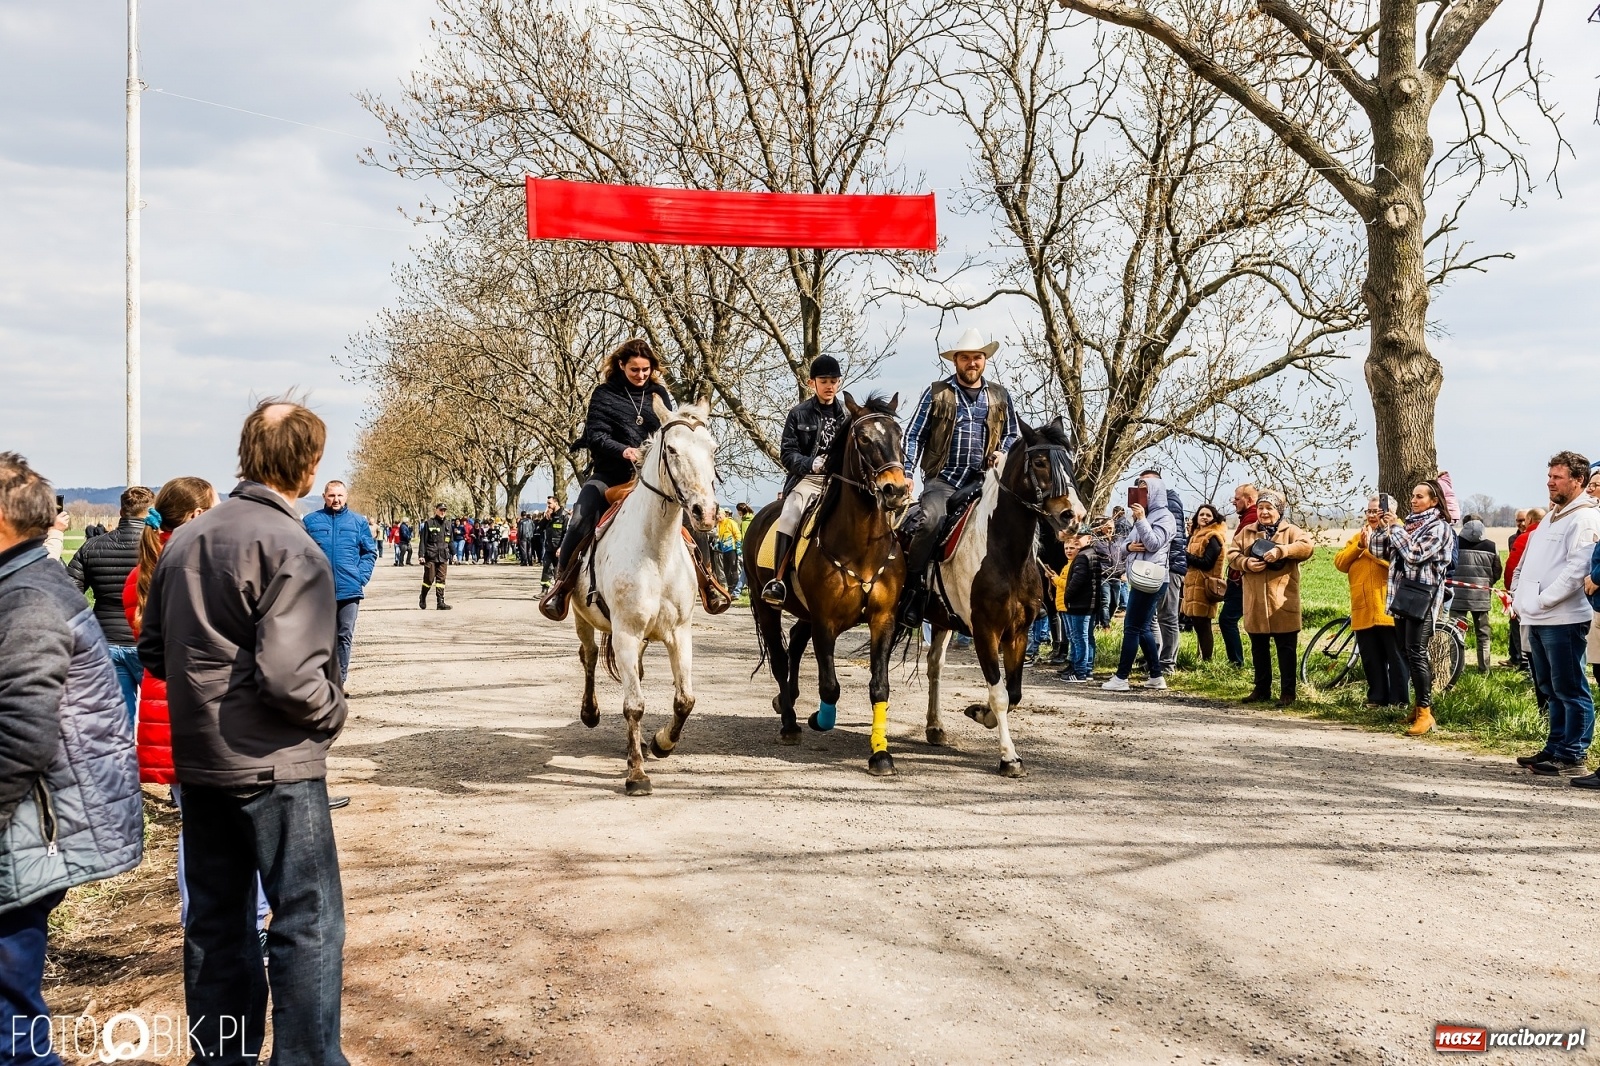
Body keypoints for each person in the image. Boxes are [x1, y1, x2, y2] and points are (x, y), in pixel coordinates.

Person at [137, 398, 350, 1064]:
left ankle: (220, 1057)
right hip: (277, 769)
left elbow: (151, 653)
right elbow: (291, 681)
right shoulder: (295, 547)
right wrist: (334, 710)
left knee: (215, 925)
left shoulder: (186, 542)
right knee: (305, 925)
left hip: (202, 769)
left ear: (245, 455)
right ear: (311, 466)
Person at [0, 453, 142, 1062]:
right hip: (34, 825)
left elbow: (21, 733)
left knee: (12, 1028)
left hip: (27, 832)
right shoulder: (26, 585)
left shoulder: (27, 600)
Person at [541, 339, 677, 620]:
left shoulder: (660, 393)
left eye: (646, 370)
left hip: (653, 478)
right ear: (621, 365)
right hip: (611, 475)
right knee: (580, 516)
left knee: (691, 514)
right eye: (634, 370)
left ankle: (709, 582)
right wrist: (624, 450)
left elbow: (671, 432)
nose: (641, 375)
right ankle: (561, 586)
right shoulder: (604, 394)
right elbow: (596, 435)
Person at [899, 328, 1020, 628]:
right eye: (965, 358)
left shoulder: (999, 396)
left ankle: (1027, 596)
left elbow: (1012, 435)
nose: (972, 363)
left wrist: (1001, 454)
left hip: (984, 482)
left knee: (1021, 520)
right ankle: (913, 590)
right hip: (943, 480)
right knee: (929, 522)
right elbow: (913, 434)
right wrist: (907, 472)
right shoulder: (937, 393)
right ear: (955, 361)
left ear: (985, 361)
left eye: (977, 357)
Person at [1508, 451, 1600, 778]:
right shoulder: (1552, 515)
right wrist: (1520, 596)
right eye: (1549, 476)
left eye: (1557, 477)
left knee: (1570, 687)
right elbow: (1527, 560)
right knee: (1548, 686)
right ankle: (1555, 745)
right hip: (1535, 616)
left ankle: (1573, 753)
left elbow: (1578, 569)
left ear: (1578, 481)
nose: (1550, 482)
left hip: (1564, 619)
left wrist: (1544, 600)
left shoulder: (1585, 517)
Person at [1369, 479, 1458, 736]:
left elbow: (1414, 555)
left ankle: (1425, 713)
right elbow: (1380, 551)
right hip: (1401, 597)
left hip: (1423, 598)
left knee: (1417, 652)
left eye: (1420, 496)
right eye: (1412, 496)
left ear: (1434, 501)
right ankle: (1418, 706)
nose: (1413, 500)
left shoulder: (1440, 527)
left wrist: (1396, 528)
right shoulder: (1408, 525)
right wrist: (1381, 528)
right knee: (1406, 652)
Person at [762, 355, 850, 605]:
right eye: (824, 381)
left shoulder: (847, 414)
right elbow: (787, 454)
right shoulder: (798, 414)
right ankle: (778, 580)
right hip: (808, 479)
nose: (829, 385)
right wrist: (811, 463)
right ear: (812, 383)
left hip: (840, 482)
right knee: (790, 514)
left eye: (833, 380)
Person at [65, 485, 153, 726]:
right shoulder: (158, 548)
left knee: (118, 718)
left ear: (121, 511)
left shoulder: (92, 546)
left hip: (106, 638)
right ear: (150, 511)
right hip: (148, 639)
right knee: (157, 719)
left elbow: (69, 593)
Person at [1230, 490, 1315, 705]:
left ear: (1279, 511)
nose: (1264, 512)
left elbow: (1307, 547)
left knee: (1286, 649)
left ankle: (1288, 693)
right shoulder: (1246, 532)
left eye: (1269, 508)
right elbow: (1231, 555)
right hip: (1255, 601)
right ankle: (1261, 689)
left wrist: (1282, 551)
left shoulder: (1291, 530)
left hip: (1282, 601)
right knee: (1258, 647)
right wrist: (1245, 563)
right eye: (1261, 508)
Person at [1101, 474, 1175, 691]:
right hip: (1140, 576)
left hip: (1153, 577)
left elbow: (1153, 544)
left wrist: (1142, 520)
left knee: (1131, 626)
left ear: (1155, 492)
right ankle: (1156, 676)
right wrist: (1129, 547)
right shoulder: (1144, 516)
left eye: (1145, 490)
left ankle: (1121, 677)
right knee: (1142, 628)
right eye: (1138, 489)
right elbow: (1125, 544)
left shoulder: (1165, 517)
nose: (1140, 493)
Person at [1334, 494, 1408, 707]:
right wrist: (1359, 546)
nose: (1373, 515)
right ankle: (1376, 698)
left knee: (1395, 657)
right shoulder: (1359, 536)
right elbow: (1340, 562)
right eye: (1369, 511)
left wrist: (1368, 550)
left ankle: (1398, 700)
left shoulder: (1399, 532)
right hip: (1363, 607)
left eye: (1377, 511)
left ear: (1389, 512)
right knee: (1371, 658)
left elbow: (1400, 564)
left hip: (1388, 607)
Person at [303, 480, 380, 682]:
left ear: (346, 497)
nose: (335, 499)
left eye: (339, 495)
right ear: (324, 497)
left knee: (344, 636)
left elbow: (369, 552)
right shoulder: (310, 522)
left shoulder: (358, 522)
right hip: (318, 592)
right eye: (331, 496)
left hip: (349, 589)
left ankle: (339, 681)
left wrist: (360, 577)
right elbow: (299, 554)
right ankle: (320, 681)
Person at [1451, 515, 1502, 674]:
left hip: (1457, 595)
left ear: (1464, 525)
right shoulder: (1491, 546)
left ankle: (1457, 668)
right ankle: (1484, 669)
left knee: (1456, 633)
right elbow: (1497, 571)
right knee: (1483, 634)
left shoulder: (1454, 543)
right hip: (1481, 596)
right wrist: (1488, 584)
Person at [1148, 469, 1188, 674]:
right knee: (1150, 615)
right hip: (1153, 565)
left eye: (1147, 484)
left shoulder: (1168, 503)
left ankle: (1167, 662)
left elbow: (1166, 539)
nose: (1143, 488)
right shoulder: (1149, 505)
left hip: (1170, 566)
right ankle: (1154, 657)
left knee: (1167, 615)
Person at [1180, 503, 1228, 663]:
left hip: (1205, 585)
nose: (1204, 517)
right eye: (1202, 514)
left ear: (1214, 518)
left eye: (1208, 515)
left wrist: (1186, 556)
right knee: (1198, 622)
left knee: (1203, 624)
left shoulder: (1213, 537)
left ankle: (1207, 660)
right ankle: (1201, 657)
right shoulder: (1196, 534)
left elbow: (1207, 563)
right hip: (1193, 584)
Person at [1053, 533, 1104, 682]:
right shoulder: (1092, 553)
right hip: (1089, 604)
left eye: (1076, 543)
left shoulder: (1082, 557)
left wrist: (1067, 596)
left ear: (1088, 539)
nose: (1071, 548)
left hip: (1080, 604)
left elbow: (1077, 582)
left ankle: (1080, 672)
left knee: (1079, 638)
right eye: (1067, 546)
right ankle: (1085, 669)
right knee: (1084, 637)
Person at [1218, 483, 1259, 667]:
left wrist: (1239, 568)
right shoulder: (1247, 517)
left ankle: (1236, 662)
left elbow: (1246, 550)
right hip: (1239, 578)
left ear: (1249, 500)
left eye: (1237, 498)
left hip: (1242, 580)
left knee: (1227, 619)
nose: (1233, 502)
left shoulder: (1252, 519)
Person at [1504, 507, 1544, 671]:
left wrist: (1510, 588)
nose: (1521, 524)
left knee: (1523, 627)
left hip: (1524, 591)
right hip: (1547, 592)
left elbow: (1513, 566)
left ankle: (1525, 663)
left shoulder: (1525, 538)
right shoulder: (1551, 536)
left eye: (1524, 520)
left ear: (1530, 520)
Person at [419, 503, 454, 610]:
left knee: (441, 580)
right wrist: (421, 555)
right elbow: (423, 541)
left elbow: (450, 541)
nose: (442, 512)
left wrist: (454, 554)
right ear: (436, 510)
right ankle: (423, 597)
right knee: (428, 579)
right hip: (431, 555)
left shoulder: (448, 524)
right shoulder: (429, 523)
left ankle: (440, 602)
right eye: (441, 510)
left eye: (444, 510)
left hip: (443, 556)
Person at [713, 505, 743, 598]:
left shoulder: (730, 522)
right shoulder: (719, 524)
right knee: (726, 569)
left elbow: (737, 534)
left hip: (732, 549)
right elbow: (720, 536)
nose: (718, 517)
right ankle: (729, 587)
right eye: (717, 515)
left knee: (734, 569)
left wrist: (738, 547)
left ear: (723, 514)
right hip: (724, 550)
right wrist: (718, 544)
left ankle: (735, 587)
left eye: (719, 515)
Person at [540, 499, 566, 590]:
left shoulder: (564, 515)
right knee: (546, 567)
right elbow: (540, 528)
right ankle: (544, 590)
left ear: (556, 503)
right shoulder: (549, 515)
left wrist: (561, 547)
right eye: (547, 503)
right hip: (549, 548)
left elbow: (566, 534)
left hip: (559, 548)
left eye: (550, 503)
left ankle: (558, 591)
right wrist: (545, 518)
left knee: (558, 571)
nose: (548, 505)